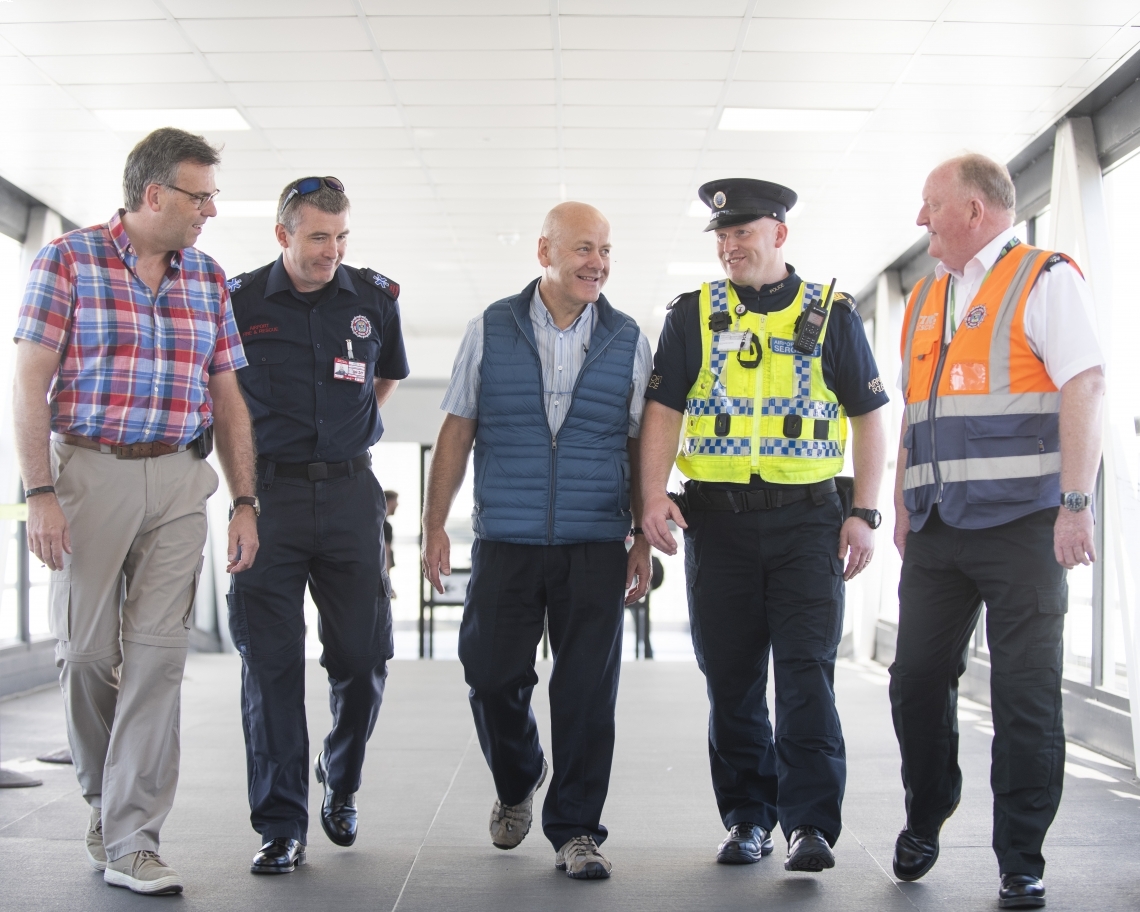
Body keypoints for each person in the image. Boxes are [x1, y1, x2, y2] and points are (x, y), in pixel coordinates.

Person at [13, 127, 258, 896]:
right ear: (154, 195)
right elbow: (27, 386)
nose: (210, 210)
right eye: (200, 195)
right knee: (86, 654)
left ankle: (134, 836)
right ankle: (104, 797)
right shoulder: (67, 261)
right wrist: (39, 494)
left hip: (181, 483)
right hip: (89, 473)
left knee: (157, 658)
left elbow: (228, 400)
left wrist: (245, 500)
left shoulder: (208, 279)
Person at [640, 178, 888, 873]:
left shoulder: (832, 313)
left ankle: (810, 825)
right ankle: (749, 818)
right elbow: (662, 410)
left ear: (780, 234)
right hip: (716, 525)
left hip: (809, 522)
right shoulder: (692, 315)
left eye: (743, 233)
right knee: (731, 678)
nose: (729, 246)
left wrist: (864, 512)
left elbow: (870, 416)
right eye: (722, 235)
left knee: (806, 674)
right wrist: (651, 496)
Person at [888, 154, 1104, 909]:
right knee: (914, 679)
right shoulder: (922, 299)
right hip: (939, 530)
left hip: (1025, 527)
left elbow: (1086, 383)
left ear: (974, 210)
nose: (921, 220)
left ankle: (1021, 855)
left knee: (1024, 696)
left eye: (930, 204)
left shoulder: (1045, 278)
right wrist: (902, 502)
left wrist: (1076, 502)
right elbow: (917, 414)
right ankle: (927, 809)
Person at [421, 201, 652, 880]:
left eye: (606, 251)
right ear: (544, 252)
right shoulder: (490, 329)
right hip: (507, 541)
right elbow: (458, 429)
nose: (598, 264)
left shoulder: (628, 337)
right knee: (491, 676)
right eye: (584, 249)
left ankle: (577, 830)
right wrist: (435, 524)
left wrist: (639, 533)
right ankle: (518, 773)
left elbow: (642, 445)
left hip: (594, 542)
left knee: (585, 693)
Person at [225, 177, 409, 875]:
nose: (331, 250)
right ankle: (281, 825)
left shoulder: (373, 298)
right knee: (270, 667)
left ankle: (342, 775)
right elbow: (225, 399)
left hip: (351, 495)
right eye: (317, 237)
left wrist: (352, 426)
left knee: (362, 658)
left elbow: (382, 378)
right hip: (266, 497)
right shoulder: (239, 302)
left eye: (340, 237)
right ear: (283, 236)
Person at [383, 490, 398, 597]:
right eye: (395, 501)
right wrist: (387, 585)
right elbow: (385, 554)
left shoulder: (377, 524)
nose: (397, 504)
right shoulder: (386, 526)